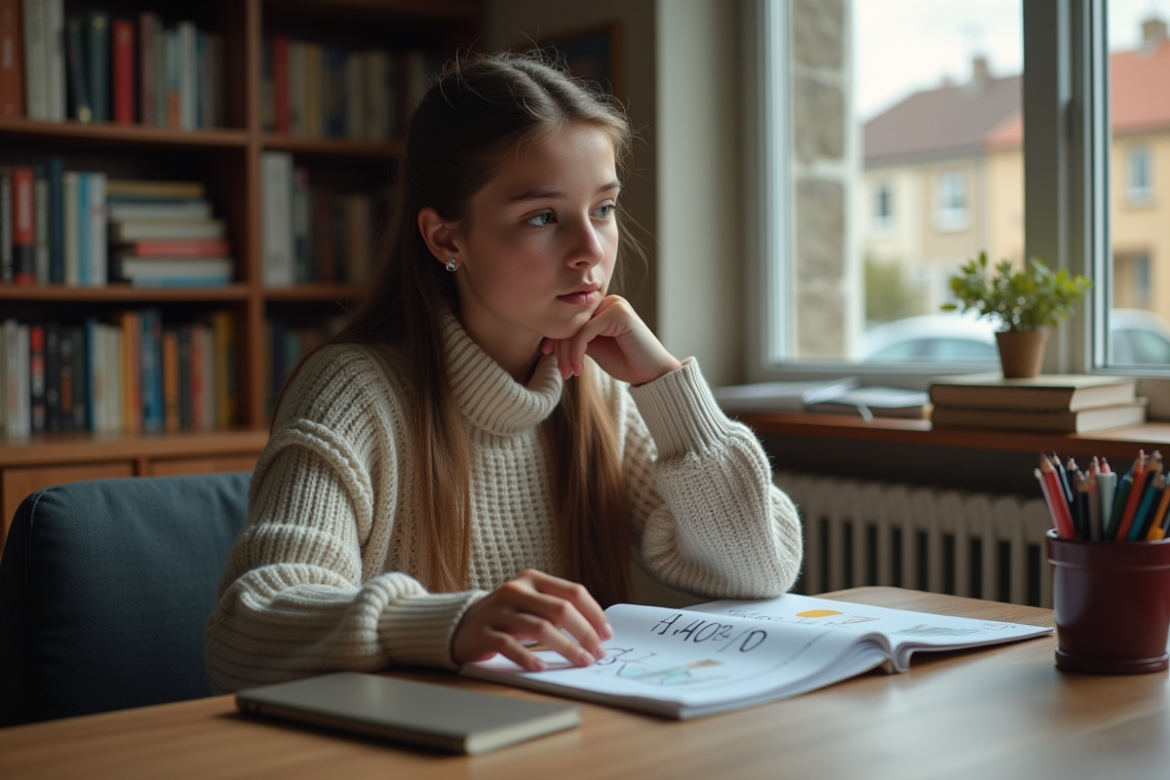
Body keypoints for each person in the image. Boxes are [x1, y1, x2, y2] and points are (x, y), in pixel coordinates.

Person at [205, 52, 803, 693]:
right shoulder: (352, 391)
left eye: (603, 208)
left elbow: (758, 570)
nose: (590, 251)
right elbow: (247, 631)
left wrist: (665, 387)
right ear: (446, 239)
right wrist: (450, 624)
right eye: (542, 217)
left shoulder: (596, 389)